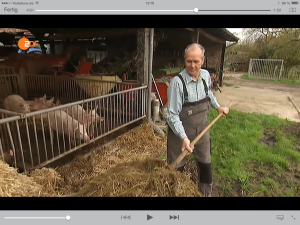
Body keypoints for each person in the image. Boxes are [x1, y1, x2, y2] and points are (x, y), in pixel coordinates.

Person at [166, 43, 229, 197]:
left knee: (205, 163)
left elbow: (209, 94)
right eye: (189, 61)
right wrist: (184, 138)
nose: (192, 65)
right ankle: (174, 193)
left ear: (203, 60)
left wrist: (218, 107)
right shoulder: (177, 83)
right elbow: (172, 114)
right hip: (180, 134)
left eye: (196, 61)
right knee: (176, 168)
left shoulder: (206, 76)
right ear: (184, 61)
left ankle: (205, 192)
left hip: (202, 129)